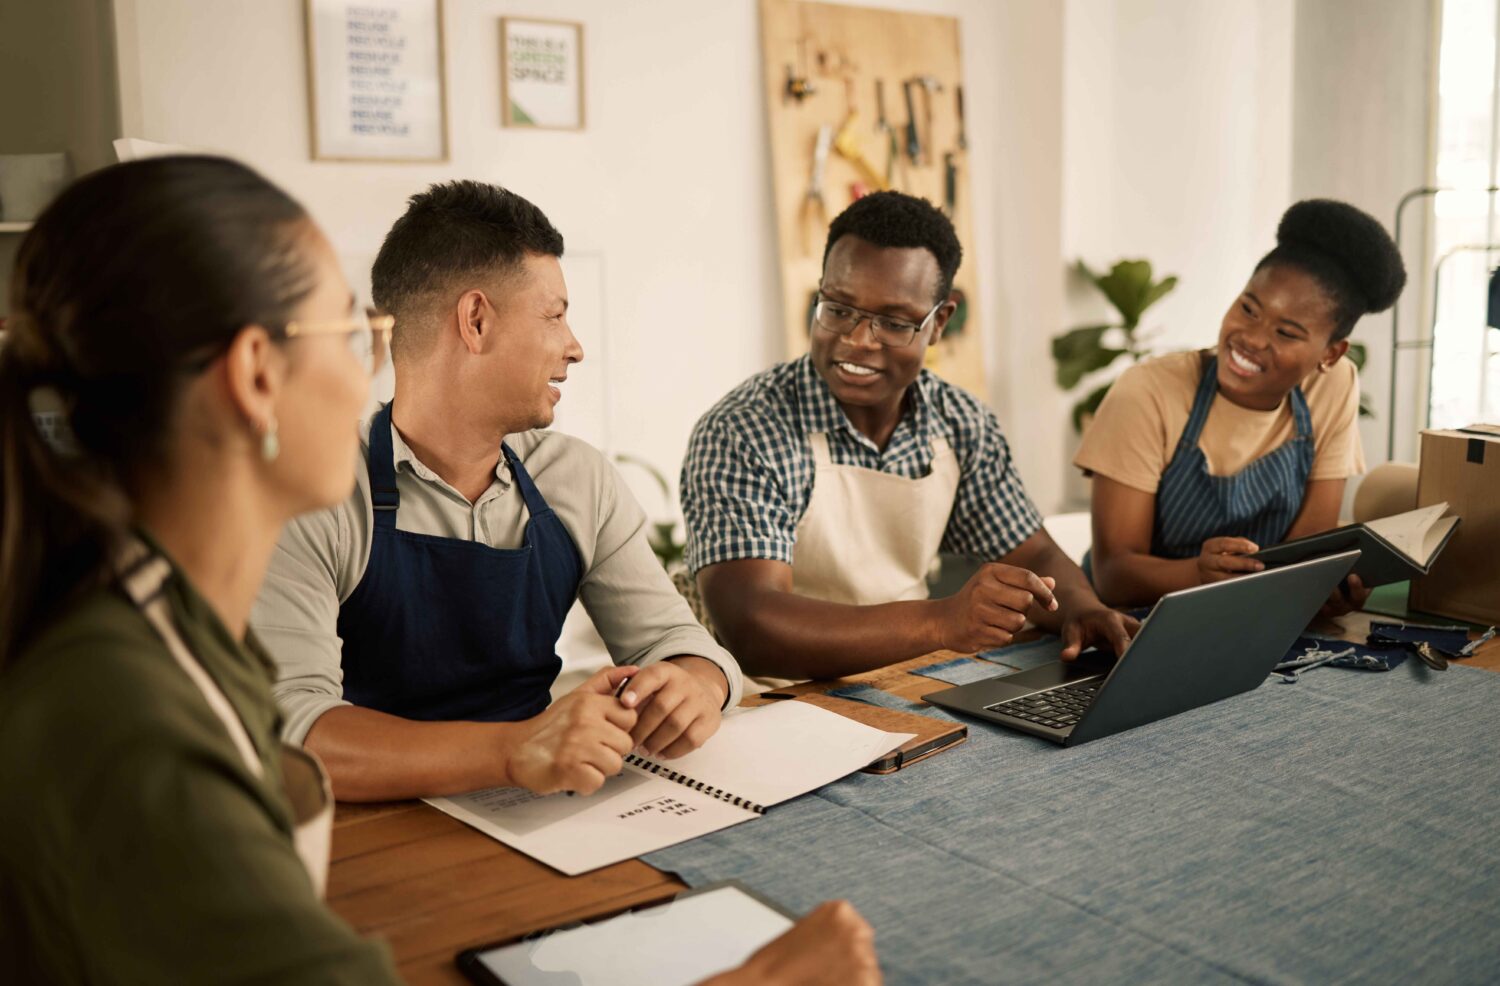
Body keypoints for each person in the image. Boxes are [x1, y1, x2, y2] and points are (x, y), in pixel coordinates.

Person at [0, 156, 878, 986]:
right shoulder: (128, 721)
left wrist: (688, 680)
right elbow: (291, 743)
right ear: (255, 378)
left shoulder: (167, 630)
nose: (370, 371)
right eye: (349, 333)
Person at [250, 181, 743, 803]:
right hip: (371, 828)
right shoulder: (312, 490)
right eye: (555, 315)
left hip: (544, 814)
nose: (575, 347)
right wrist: (513, 751)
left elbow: (677, 643)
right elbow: (292, 729)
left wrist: (695, 685)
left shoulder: (577, 478)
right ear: (476, 320)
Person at [680, 191, 1136, 681]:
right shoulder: (744, 430)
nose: (857, 339)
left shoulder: (960, 423)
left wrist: (1080, 609)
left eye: (894, 323)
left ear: (939, 322)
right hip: (772, 699)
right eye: (838, 309)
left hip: (907, 682)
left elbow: (1035, 555)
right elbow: (754, 628)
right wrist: (941, 623)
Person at [1075, 199, 1406, 611]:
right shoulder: (1149, 392)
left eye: (1286, 332)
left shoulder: (1332, 387)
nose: (1251, 338)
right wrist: (1198, 574)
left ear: (1331, 354)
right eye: (1249, 309)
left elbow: (1305, 551)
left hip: (1255, 612)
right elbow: (1113, 577)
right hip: (1134, 622)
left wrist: (1323, 587)